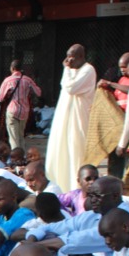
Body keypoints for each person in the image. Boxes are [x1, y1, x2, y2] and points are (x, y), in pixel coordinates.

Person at [46, 45, 97, 192]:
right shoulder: (71, 70)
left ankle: (76, 188)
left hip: (78, 119)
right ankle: (59, 186)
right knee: (60, 148)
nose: (68, 60)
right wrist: (68, 70)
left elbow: (71, 88)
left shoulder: (88, 70)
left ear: (81, 56)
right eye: (67, 56)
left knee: (76, 151)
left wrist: (66, 69)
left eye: (72, 57)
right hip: (64, 118)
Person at [0, 60, 41, 150]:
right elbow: (39, 93)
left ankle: (16, 158)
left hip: (12, 111)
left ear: (12, 68)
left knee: (13, 137)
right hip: (25, 111)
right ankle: (22, 156)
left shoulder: (8, 80)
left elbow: (0, 98)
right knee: (21, 135)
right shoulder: (28, 80)